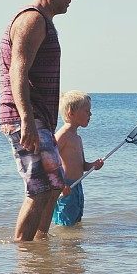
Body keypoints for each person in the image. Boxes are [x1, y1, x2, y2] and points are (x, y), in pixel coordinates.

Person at [0, 0, 77, 242]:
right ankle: (24, 253)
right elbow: (17, 71)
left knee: (54, 186)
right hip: (26, 117)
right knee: (40, 190)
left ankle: (40, 247)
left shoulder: (45, 21)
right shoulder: (32, 20)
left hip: (37, 118)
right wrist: (27, 120)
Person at [51, 90, 104, 227]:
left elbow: (82, 165)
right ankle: (64, 247)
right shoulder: (63, 135)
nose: (90, 114)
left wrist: (93, 165)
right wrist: (60, 185)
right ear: (71, 113)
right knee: (64, 224)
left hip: (77, 185)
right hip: (66, 186)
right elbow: (50, 160)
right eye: (86, 111)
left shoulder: (77, 138)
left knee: (76, 222)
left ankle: (73, 247)